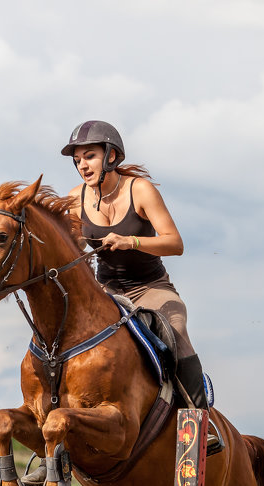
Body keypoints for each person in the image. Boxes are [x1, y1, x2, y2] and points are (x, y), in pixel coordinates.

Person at [61, 120, 217, 435]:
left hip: (150, 288)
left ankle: (200, 423)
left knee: (176, 327)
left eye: (89, 156)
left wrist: (130, 241)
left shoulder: (140, 190)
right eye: (77, 160)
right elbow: (73, 250)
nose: (82, 165)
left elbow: (175, 243)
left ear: (111, 156)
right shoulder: (76, 198)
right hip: (105, 291)